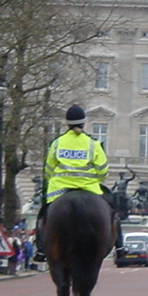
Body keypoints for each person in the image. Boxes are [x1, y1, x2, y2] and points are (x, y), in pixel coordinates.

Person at [40, 104, 117, 253]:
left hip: (59, 190)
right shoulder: (93, 144)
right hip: (89, 188)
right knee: (113, 210)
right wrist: (95, 178)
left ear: (67, 123)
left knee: (44, 212)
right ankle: (119, 244)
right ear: (84, 122)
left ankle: (41, 247)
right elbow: (103, 171)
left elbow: (48, 169)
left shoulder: (57, 143)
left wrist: (53, 178)